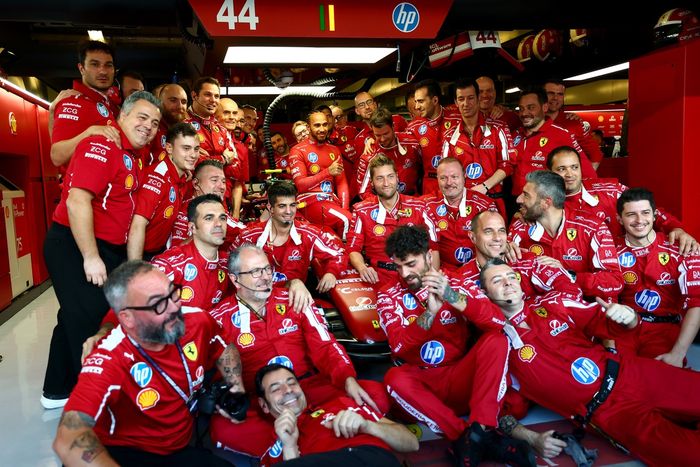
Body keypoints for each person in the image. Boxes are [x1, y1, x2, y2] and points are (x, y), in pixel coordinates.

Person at [480, 258, 700, 466]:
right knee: (692, 456)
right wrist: (532, 438)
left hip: (631, 373)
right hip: (610, 414)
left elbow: (608, 325)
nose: (508, 282)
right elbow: (496, 409)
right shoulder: (497, 344)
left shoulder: (553, 302)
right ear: (484, 293)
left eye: (512, 276)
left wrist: (629, 318)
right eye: (497, 280)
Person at [52, 261, 241, 467]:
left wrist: (236, 387)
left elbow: (223, 346)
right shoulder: (109, 358)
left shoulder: (196, 320)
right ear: (127, 318)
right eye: (158, 304)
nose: (174, 308)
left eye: (173, 293)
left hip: (177, 448)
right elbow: (68, 439)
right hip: (124, 451)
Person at [208, 244, 389, 458]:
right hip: (267, 403)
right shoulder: (218, 319)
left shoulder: (295, 298)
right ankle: (321, 434)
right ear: (235, 279)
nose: (265, 277)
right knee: (222, 429)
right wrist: (231, 396)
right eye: (255, 272)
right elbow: (218, 375)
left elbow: (325, 344)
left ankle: (292, 446)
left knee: (375, 394)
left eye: (267, 269)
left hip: (311, 388)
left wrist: (347, 379)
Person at [376, 225, 535, 466]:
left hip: (459, 377)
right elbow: (398, 345)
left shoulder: (455, 281)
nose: (405, 273)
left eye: (411, 264)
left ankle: (480, 428)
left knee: (497, 339)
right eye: (398, 266)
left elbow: (496, 320)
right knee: (393, 378)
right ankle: (468, 437)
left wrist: (452, 297)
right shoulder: (387, 294)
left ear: (429, 256)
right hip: (423, 386)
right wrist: (429, 314)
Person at [41, 91, 161, 410]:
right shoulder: (102, 145)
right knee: (91, 321)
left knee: (71, 316)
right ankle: (94, 405)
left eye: (154, 123)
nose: (148, 126)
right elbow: (77, 200)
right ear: (122, 116)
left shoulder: (133, 154)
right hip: (75, 245)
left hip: (104, 248)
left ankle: (56, 390)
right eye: (142, 117)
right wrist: (91, 257)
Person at [256, 364, 418, 466]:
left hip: (366, 457)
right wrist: (290, 446)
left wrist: (368, 426)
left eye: (292, 383)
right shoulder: (273, 449)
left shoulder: (341, 404)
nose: (288, 390)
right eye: (276, 389)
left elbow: (412, 443)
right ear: (264, 405)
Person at [547, 146, 699, 253]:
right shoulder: (543, 202)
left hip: (623, 263)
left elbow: (649, 211)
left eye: (574, 167)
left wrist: (676, 228)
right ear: (549, 172)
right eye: (562, 169)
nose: (570, 174)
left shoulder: (610, 190)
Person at [614, 187, 700, 366]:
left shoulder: (682, 247)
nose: (639, 220)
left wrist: (677, 354)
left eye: (645, 213)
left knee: (659, 379)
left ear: (654, 216)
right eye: (631, 214)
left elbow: (697, 303)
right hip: (624, 326)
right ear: (619, 219)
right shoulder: (610, 249)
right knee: (613, 375)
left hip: (665, 330)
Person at [509, 170, 623, 300]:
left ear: (546, 202)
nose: (518, 199)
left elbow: (614, 281)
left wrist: (569, 275)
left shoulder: (593, 227)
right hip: (540, 309)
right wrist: (502, 252)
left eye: (526, 195)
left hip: (585, 308)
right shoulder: (520, 226)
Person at [232, 181, 346, 307]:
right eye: (282, 206)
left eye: (292, 205)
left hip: (294, 303)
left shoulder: (309, 233)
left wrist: (331, 273)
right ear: (270, 208)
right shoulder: (249, 236)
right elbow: (229, 265)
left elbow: (339, 254)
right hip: (257, 303)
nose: (288, 211)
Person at [347, 156, 439, 287]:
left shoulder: (419, 207)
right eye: (380, 178)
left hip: (416, 277)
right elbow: (353, 249)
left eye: (390, 176)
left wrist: (432, 281)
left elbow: (434, 248)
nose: (386, 183)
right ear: (372, 182)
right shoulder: (361, 210)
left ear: (397, 177)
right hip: (379, 279)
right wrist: (362, 267)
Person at [460, 210, 580, 299]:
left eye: (501, 231)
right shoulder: (462, 278)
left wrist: (530, 311)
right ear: (473, 237)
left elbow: (572, 291)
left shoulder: (528, 261)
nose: (497, 238)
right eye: (488, 231)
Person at [441, 78, 515, 216]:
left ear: (478, 99)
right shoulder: (449, 136)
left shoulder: (498, 128)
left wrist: (484, 186)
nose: (466, 104)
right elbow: (445, 170)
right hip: (462, 202)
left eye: (470, 98)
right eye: (461, 99)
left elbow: (508, 164)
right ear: (456, 102)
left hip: (493, 200)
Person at [127, 122, 198, 260]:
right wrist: (136, 267)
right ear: (169, 148)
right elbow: (137, 225)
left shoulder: (182, 176)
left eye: (196, 149)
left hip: (158, 252)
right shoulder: (157, 178)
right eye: (186, 148)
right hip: (139, 254)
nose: (193, 155)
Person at [511, 88, 596, 197]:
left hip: (546, 201)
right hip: (517, 200)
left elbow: (588, 174)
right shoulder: (515, 135)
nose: (524, 113)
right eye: (521, 109)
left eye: (531, 108)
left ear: (544, 107)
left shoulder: (562, 135)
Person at [51, 40, 121, 168]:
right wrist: (90, 132)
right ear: (81, 68)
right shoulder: (72, 102)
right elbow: (57, 156)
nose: (103, 71)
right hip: (85, 180)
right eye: (95, 64)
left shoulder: (111, 104)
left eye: (108, 65)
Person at [422, 157, 496, 271]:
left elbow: (494, 244)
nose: (449, 183)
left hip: (479, 270)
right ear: (437, 179)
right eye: (443, 178)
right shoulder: (425, 204)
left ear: (464, 176)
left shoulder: (484, 204)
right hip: (444, 271)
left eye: (454, 177)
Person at [288, 110, 352, 239]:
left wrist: (345, 209)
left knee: (345, 225)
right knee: (347, 220)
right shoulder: (297, 150)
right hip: (309, 202)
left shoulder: (334, 150)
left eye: (325, 124)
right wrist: (327, 172)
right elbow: (300, 185)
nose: (322, 129)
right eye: (317, 125)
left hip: (331, 202)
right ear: (308, 127)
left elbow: (342, 183)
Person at [405, 79, 460, 194]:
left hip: (457, 182)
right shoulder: (413, 127)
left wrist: (496, 109)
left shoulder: (457, 119)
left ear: (435, 100)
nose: (416, 106)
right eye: (416, 102)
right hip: (430, 186)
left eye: (420, 101)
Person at [355, 108, 422, 199]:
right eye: (378, 135)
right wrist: (386, 203)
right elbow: (363, 192)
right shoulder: (369, 156)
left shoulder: (412, 143)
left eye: (386, 133)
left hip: (413, 200)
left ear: (393, 127)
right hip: (384, 202)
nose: (382, 139)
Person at [543, 79, 604, 170]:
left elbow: (595, 153)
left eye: (560, 94)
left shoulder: (573, 122)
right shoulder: (531, 122)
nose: (555, 98)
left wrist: (583, 175)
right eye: (550, 93)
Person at [214, 97, 249, 218]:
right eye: (226, 112)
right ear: (215, 115)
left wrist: (235, 216)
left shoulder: (241, 148)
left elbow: (238, 184)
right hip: (209, 202)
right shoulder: (210, 139)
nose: (231, 117)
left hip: (226, 208)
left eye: (234, 113)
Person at [147, 83, 189, 166]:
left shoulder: (187, 130)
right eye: (173, 100)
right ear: (160, 103)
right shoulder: (149, 129)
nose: (180, 106)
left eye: (184, 102)